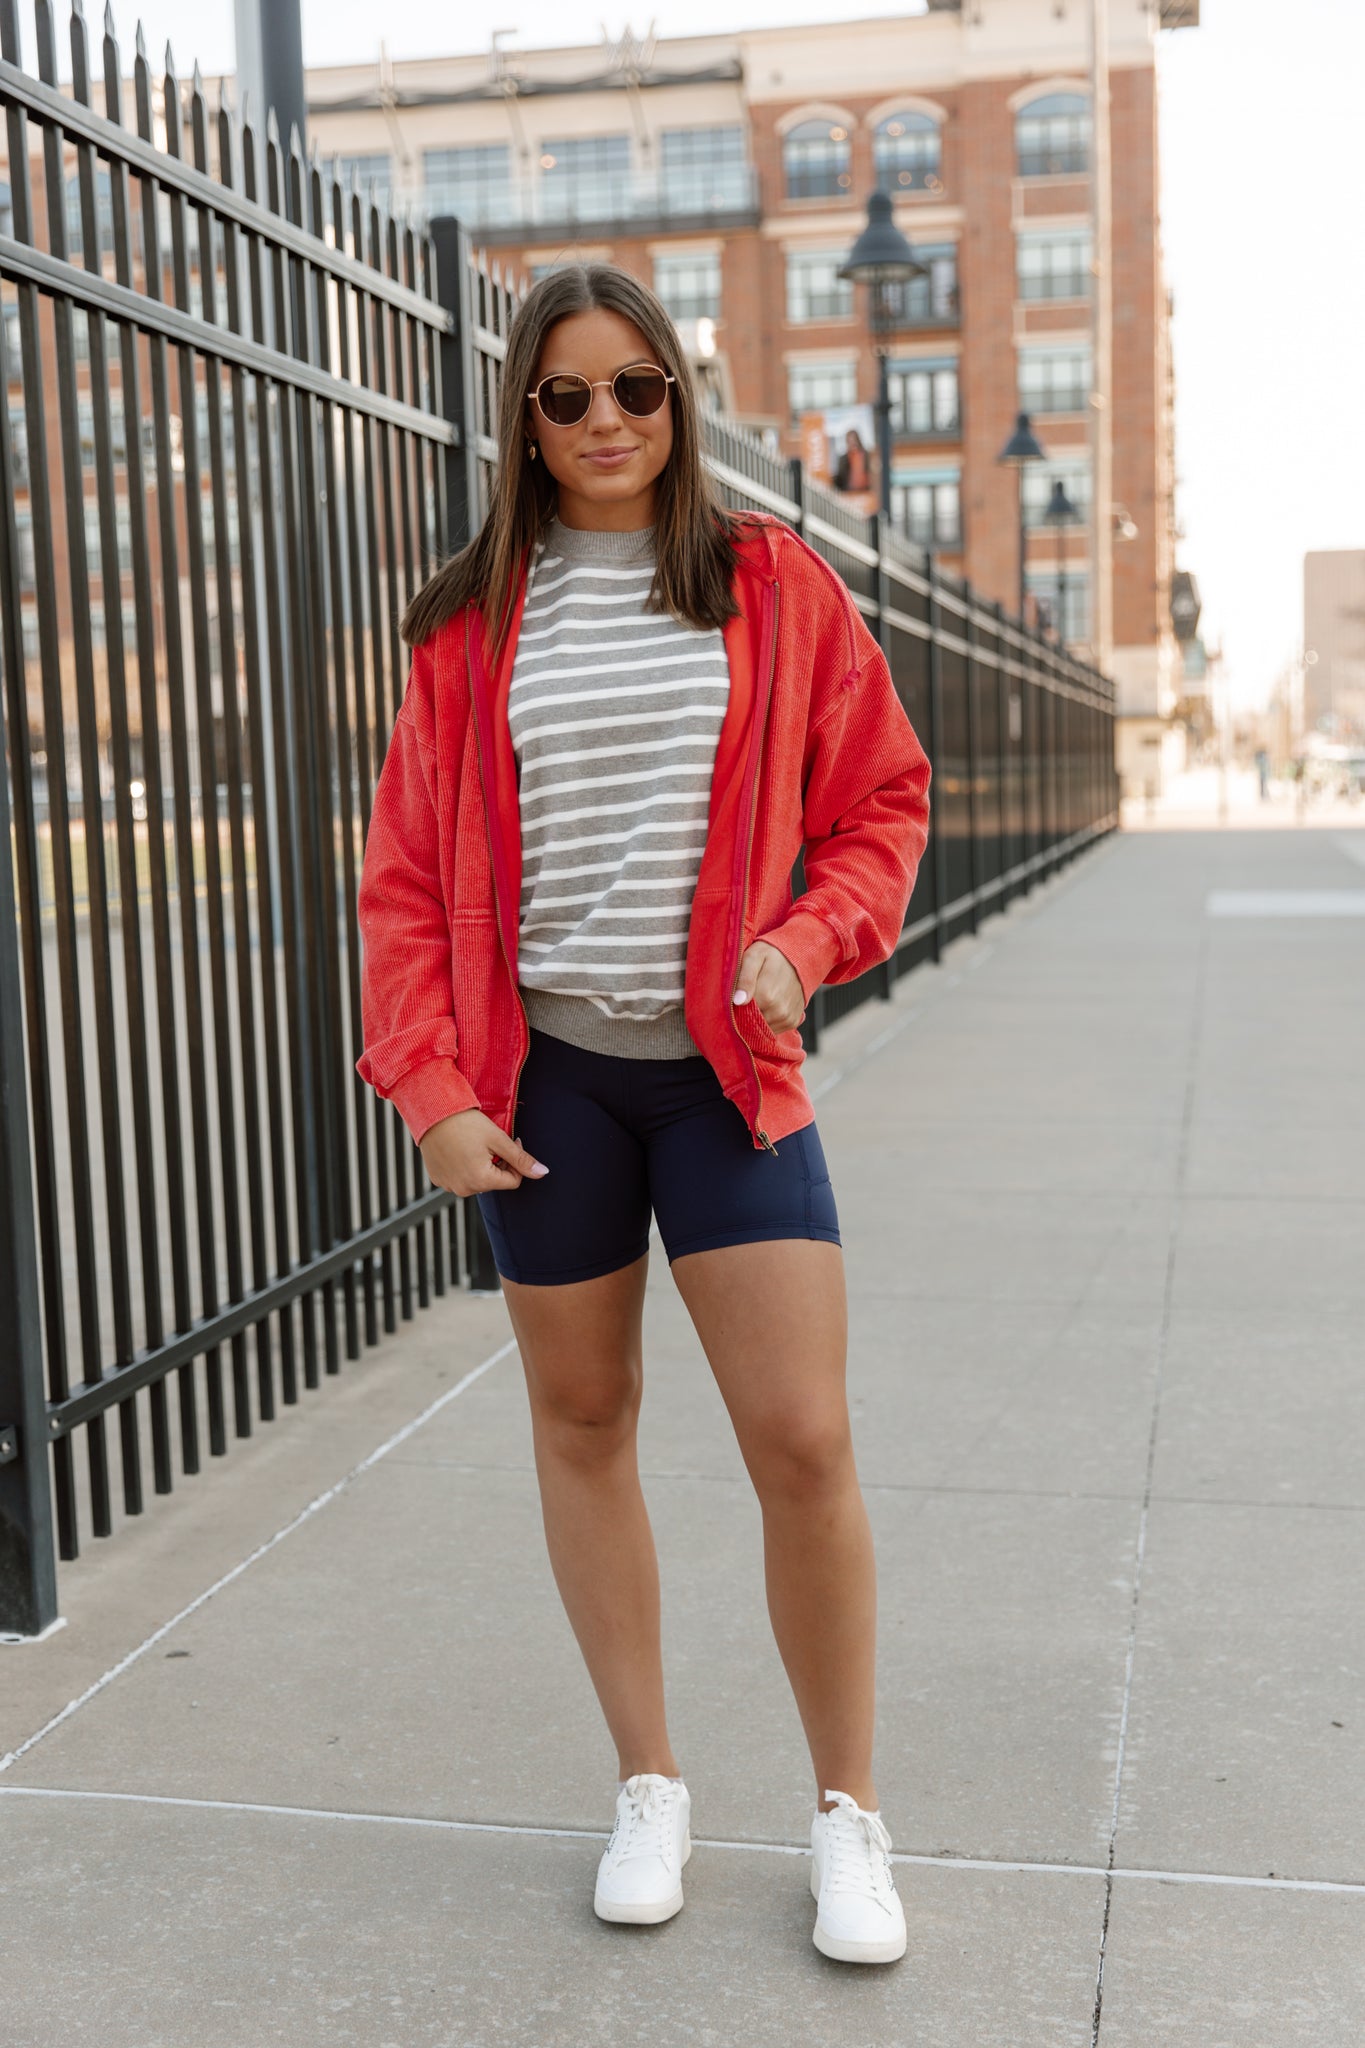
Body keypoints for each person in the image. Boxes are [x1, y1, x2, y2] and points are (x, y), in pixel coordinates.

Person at [355, 263, 931, 1966]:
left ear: (677, 398)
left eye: (636, 387)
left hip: (725, 1077)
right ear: (525, 425)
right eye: (567, 395)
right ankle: (650, 1782)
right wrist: (431, 1090)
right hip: (549, 1085)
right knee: (585, 1420)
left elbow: (881, 803)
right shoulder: (470, 623)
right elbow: (403, 885)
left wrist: (804, 942)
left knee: (802, 1439)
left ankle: (847, 1815)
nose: (605, 419)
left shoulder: (770, 581)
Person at [833, 426, 870, 495]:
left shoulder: (866, 456)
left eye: (853, 440)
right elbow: (840, 477)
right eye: (849, 441)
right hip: (849, 492)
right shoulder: (843, 459)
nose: (852, 443)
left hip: (865, 492)